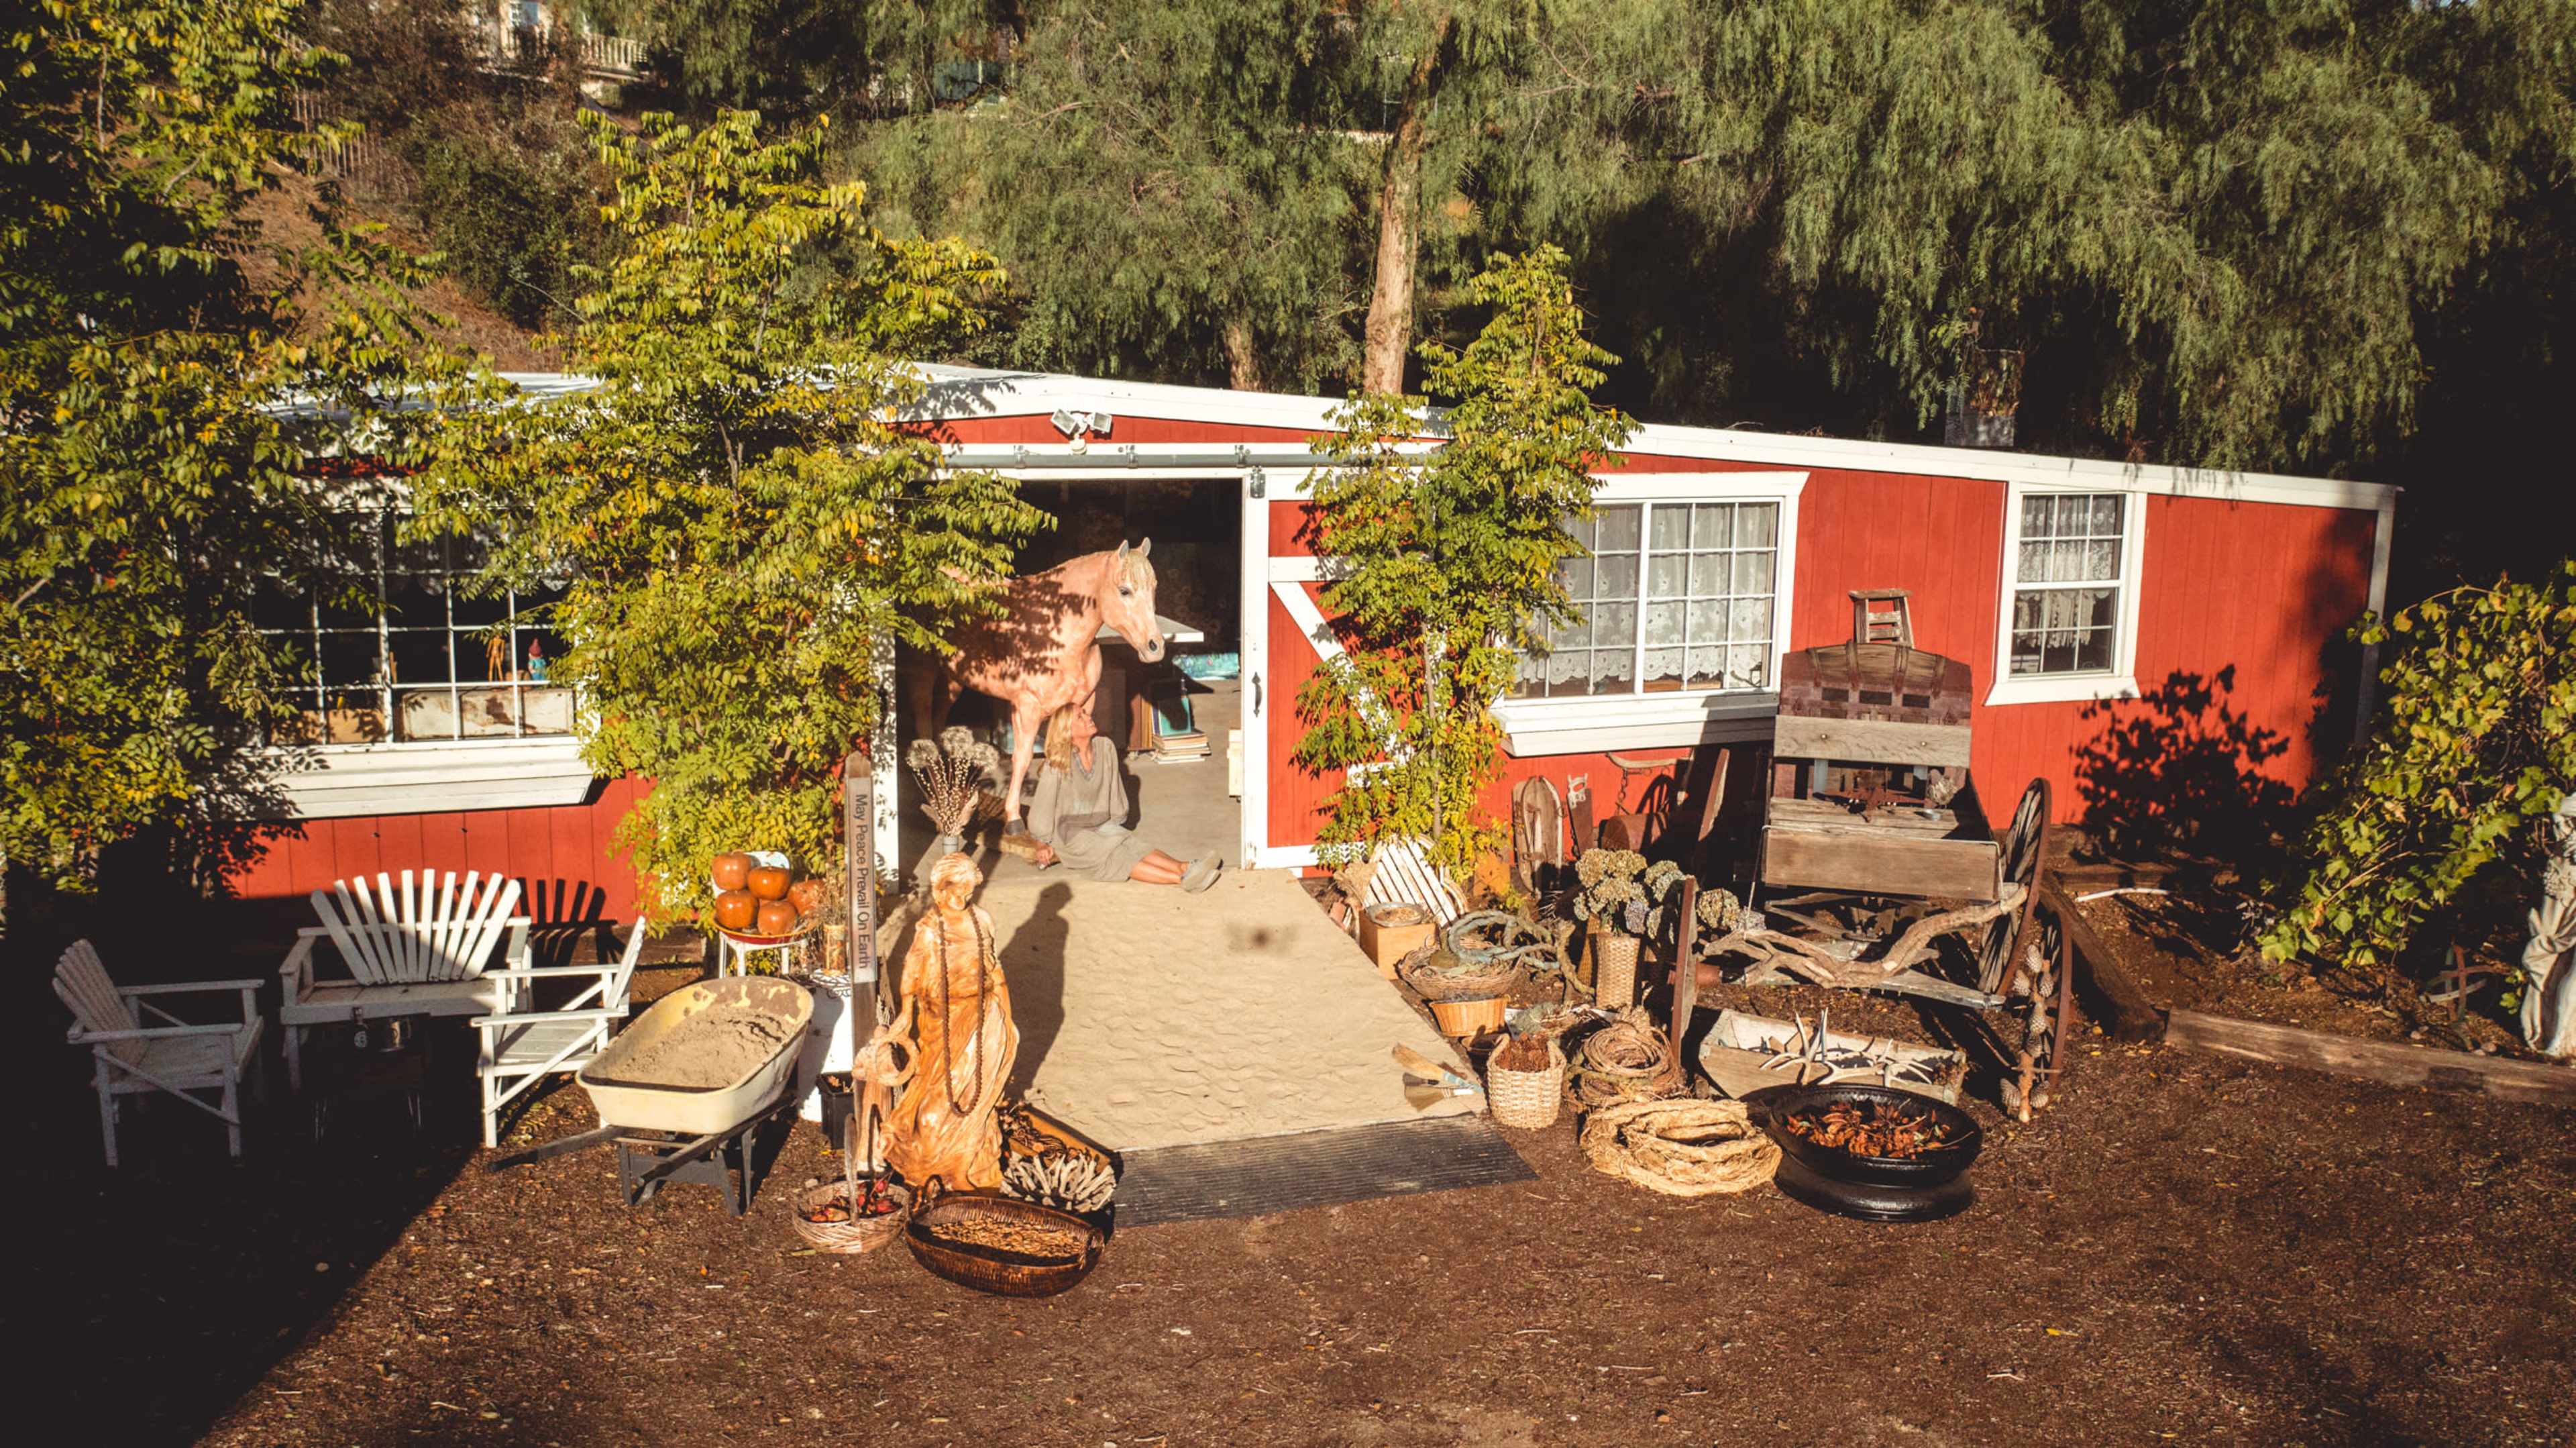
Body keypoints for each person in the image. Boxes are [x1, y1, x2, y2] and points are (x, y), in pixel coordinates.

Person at [876, 852, 1018, 1191]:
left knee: (977, 1088)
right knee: (936, 1101)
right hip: (940, 1019)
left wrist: (1006, 1016)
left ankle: (972, 1161)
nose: (960, 896)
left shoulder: (981, 920)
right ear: (940, 888)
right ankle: (934, 1162)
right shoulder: (930, 928)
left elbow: (993, 968)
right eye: (954, 888)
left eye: (967, 889)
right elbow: (911, 973)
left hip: (982, 1013)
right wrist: (905, 1016)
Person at [1026, 700, 1221, 891]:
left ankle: (1186, 867)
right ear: (1068, 731)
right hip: (1070, 834)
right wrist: (1041, 843)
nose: (1088, 717)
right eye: (1080, 717)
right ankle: (1182, 879)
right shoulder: (1057, 764)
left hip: (1100, 823)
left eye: (1085, 713)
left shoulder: (1105, 747)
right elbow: (1042, 808)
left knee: (1130, 843)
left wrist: (1115, 819)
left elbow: (1113, 787)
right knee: (1117, 855)